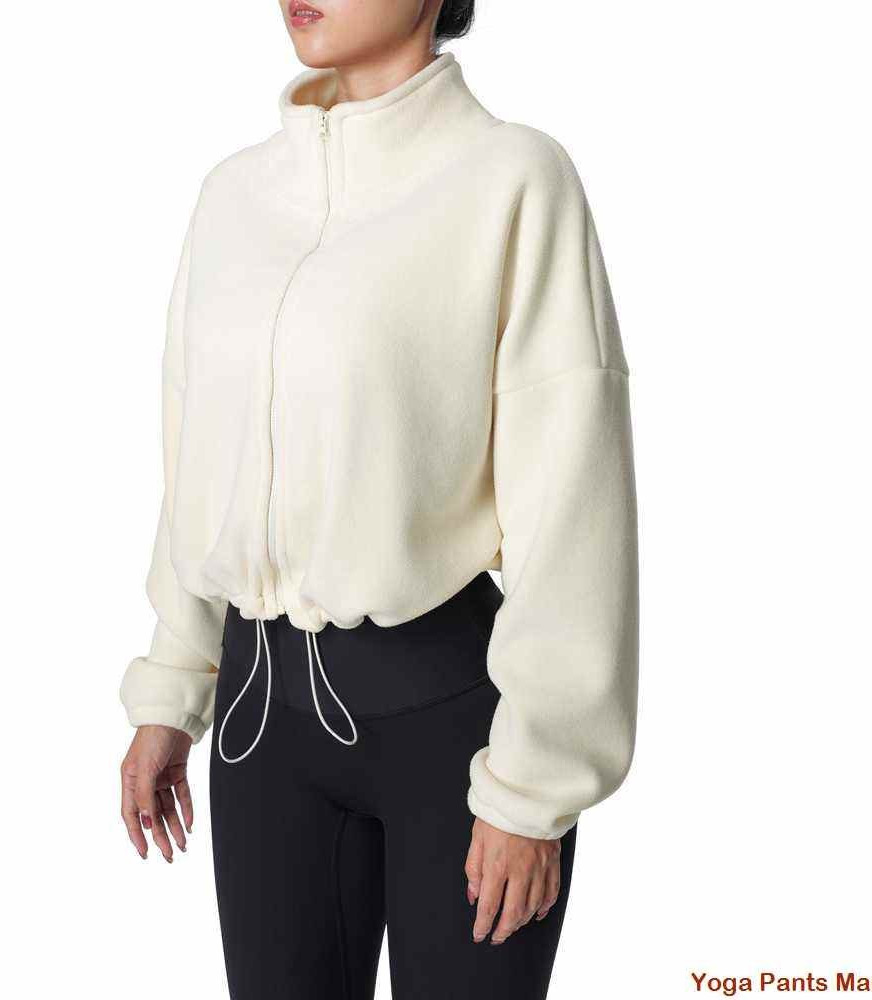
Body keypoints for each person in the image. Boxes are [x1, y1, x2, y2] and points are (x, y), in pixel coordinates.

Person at [117, 2, 639, 996]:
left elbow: (572, 499)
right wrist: (173, 683)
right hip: (260, 730)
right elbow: (197, 464)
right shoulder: (232, 195)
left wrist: (533, 786)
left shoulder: (510, 179)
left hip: (450, 732)